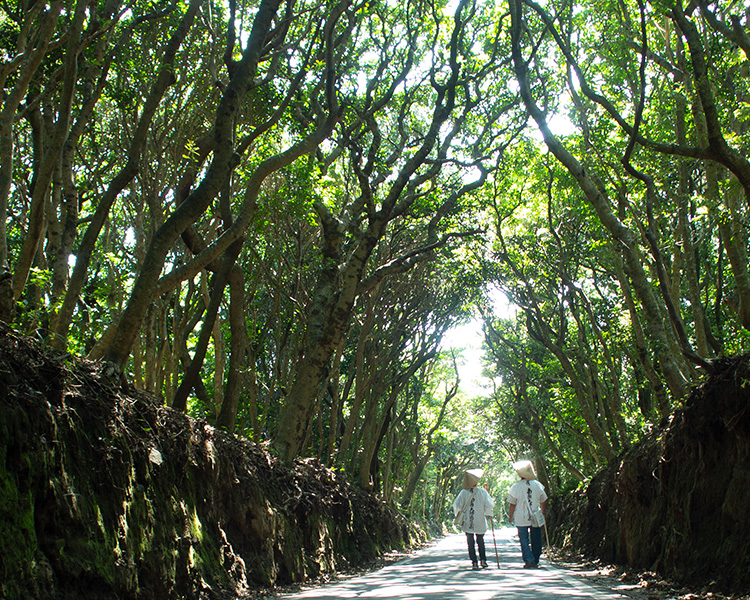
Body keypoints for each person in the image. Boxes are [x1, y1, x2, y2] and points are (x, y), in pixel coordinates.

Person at [507, 459, 548, 569]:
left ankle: (528, 560)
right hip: (535, 515)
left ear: (521, 474)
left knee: (524, 539)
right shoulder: (538, 485)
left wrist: (511, 516)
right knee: (536, 538)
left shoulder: (516, 487)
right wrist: (542, 512)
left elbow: (512, 503)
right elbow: (543, 499)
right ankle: (535, 559)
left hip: (521, 517)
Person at [453, 468, 495, 570]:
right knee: (480, 540)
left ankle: (474, 562)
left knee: (470, 541)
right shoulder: (482, 492)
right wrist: (488, 513)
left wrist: (458, 516)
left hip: (468, 521)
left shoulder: (463, 492)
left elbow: (457, 506)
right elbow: (489, 505)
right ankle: (483, 560)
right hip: (480, 520)